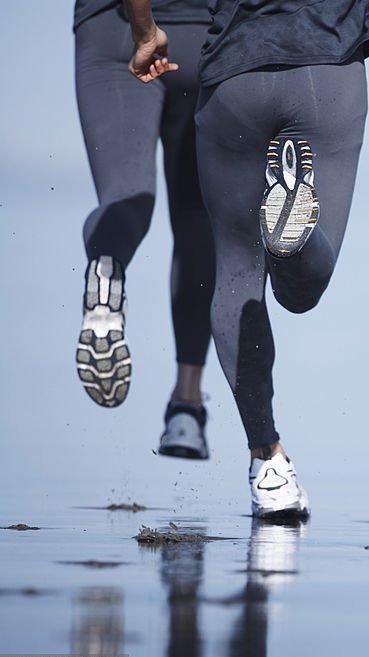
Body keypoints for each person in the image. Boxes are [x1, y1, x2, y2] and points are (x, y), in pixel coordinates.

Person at [124, 0, 369, 517]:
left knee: (237, 271)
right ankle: (294, 237)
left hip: (232, 78)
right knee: (301, 290)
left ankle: (267, 460)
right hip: (326, 73)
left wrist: (145, 31)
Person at [74, 0, 214, 459]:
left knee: (125, 196)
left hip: (113, 28)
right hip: (205, 35)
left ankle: (106, 268)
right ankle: (186, 408)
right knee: (197, 219)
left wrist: (143, 27)